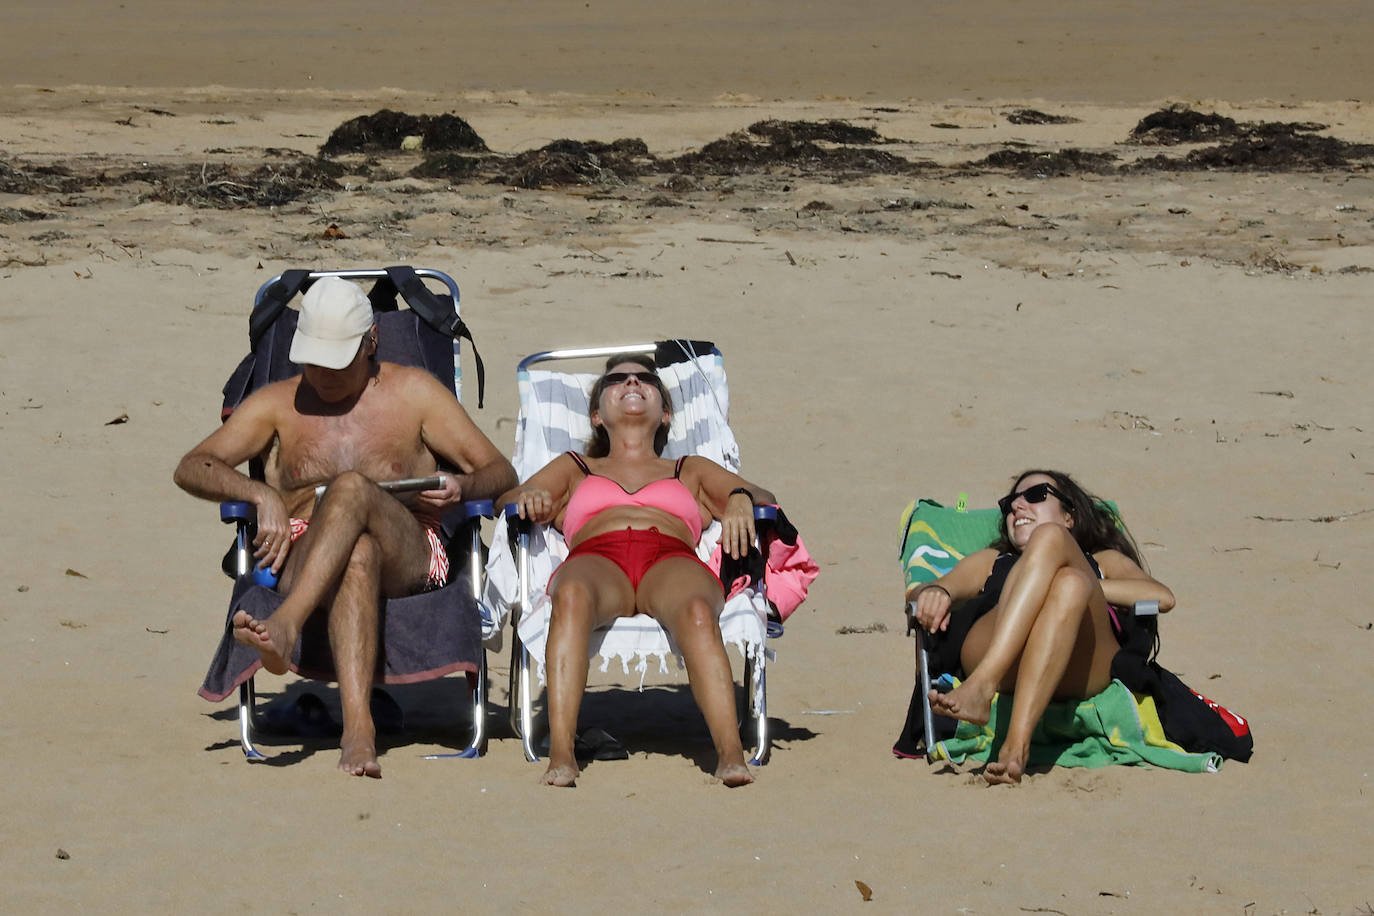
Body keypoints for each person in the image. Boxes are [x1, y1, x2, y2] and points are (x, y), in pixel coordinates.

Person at [174, 276, 517, 778]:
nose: (322, 375)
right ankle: (359, 731)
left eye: (336, 362)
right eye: (312, 361)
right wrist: (259, 493)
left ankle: (287, 624)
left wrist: (463, 486)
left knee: (352, 487)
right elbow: (193, 466)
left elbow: (500, 472)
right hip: (303, 547)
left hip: (410, 548)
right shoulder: (278, 404)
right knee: (356, 551)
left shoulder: (416, 394)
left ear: (371, 342)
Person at [499, 354, 777, 788]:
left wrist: (740, 495)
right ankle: (562, 754)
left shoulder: (689, 469)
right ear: (597, 415)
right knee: (571, 595)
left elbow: (762, 495)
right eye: (617, 379)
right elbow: (508, 499)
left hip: (670, 558)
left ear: (665, 413)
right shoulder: (575, 467)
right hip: (597, 557)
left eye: (645, 378)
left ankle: (730, 755)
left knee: (697, 610)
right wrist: (530, 496)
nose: (632, 381)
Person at [906, 470, 1174, 785]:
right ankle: (1015, 745)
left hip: (1083, 662)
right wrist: (935, 592)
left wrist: (1083, 584)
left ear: (1070, 516)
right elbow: (926, 590)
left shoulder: (1104, 562)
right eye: (1009, 503)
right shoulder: (992, 560)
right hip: (1000, 655)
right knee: (1068, 576)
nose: (1017, 506)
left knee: (1070, 581)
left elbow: (1162, 597)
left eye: (1035, 495)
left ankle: (983, 686)